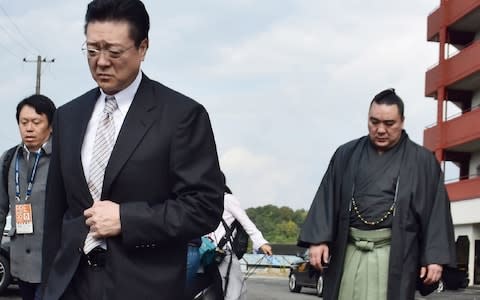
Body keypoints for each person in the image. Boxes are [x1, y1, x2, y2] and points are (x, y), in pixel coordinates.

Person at [40, 0, 224, 299]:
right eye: (92, 50)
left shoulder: (181, 116)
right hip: (71, 285)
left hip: (143, 286)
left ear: (142, 47)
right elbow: (56, 216)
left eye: (113, 52)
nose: (101, 61)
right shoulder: (68, 116)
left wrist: (127, 219)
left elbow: (204, 207)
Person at [298, 88, 456, 300]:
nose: (381, 129)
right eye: (374, 122)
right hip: (349, 252)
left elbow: (436, 212)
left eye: (389, 124)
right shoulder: (346, 154)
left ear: (402, 121)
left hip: (395, 254)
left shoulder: (422, 161)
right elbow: (327, 197)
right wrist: (318, 240)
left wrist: (434, 258)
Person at [0, 94, 56, 300]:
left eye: (36, 122)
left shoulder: (62, 159)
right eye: (24, 122)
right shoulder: (8, 159)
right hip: (20, 263)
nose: (29, 128)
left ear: (51, 125)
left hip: (53, 263)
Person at [208, 188, 273, 300]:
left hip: (202, 251)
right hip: (223, 254)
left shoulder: (202, 199)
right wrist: (261, 242)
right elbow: (245, 221)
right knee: (236, 291)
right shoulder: (227, 199)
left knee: (208, 291)